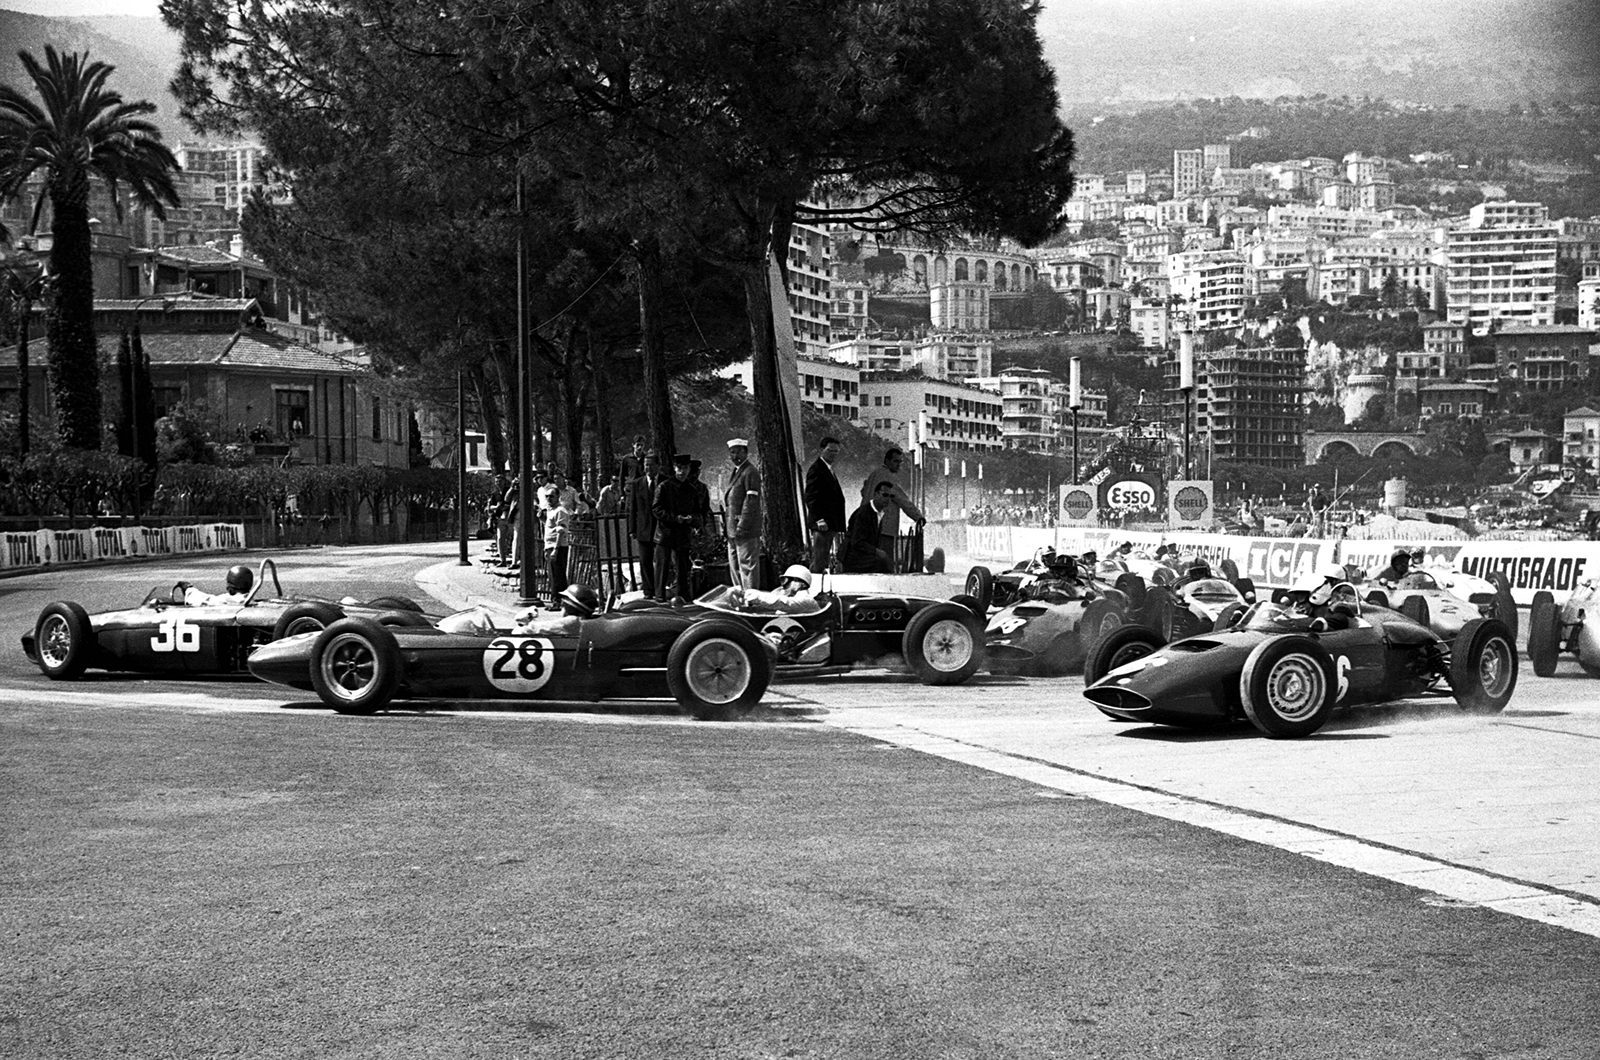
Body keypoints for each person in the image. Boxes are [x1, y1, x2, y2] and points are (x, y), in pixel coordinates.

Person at [860, 448, 924, 572]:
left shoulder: (874, 474)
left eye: (900, 462)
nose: (898, 465)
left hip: (867, 526)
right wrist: (918, 517)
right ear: (887, 461)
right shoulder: (888, 477)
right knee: (884, 562)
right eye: (895, 461)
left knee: (870, 561)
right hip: (885, 528)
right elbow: (902, 499)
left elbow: (864, 492)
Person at [653, 452, 699, 601]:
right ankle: (659, 597)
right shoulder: (664, 487)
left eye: (685, 468)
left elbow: (698, 510)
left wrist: (692, 519)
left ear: (689, 469)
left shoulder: (691, 489)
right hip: (665, 533)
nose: (682, 471)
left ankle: (682, 598)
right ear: (674, 468)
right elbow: (656, 509)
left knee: (682, 568)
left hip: (682, 533)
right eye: (679, 468)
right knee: (662, 568)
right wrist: (674, 519)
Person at [723, 438, 762, 588]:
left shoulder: (750, 472)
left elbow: (751, 501)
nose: (735, 456)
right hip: (733, 529)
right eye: (732, 452)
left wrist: (742, 526)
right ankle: (740, 596)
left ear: (746, 452)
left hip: (745, 529)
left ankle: (751, 599)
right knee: (735, 566)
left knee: (747, 566)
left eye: (739, 452)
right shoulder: (737, 471)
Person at [804, 436, 846, 573]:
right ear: (821, 450)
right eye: (830, 450)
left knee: (824, 558)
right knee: (819, 559)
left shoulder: (828, 469)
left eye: (836, 452)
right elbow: (810, 497)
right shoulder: (816, 469)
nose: (833, 454)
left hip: (830, 523)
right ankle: (815, 588)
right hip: (822, 524)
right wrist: (819, 519)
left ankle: (820, 587)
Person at [840, 480, 895, 573]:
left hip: (864, 556)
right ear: (876, 494)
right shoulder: (863, 514)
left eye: (891, 496)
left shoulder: (879, 513)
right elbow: (857, 542)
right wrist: (877, 552)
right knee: (883, 563)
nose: (888, 499)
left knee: (886, 562)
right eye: (885, 495)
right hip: (853, 558)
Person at [627, 450, 661, 596]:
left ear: (658, 466)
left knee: (661, 561)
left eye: (651, 465)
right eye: (646, 465)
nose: (648, 468)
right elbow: (632, 508)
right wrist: (632, 529)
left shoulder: (665, 481)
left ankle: (660, 590)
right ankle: (648, 590)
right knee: (645, 561)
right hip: (643, 528)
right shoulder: (637, 484)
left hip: (661, 528)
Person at [729, 564, 819, 613]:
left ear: (801, 584)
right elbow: (769, 598)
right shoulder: (792, 596)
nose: (784, 586)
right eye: (783, 581)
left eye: (787, 581)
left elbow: (779, 602)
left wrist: (743, 593)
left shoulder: (806, 601)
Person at [543, 489, 575, 609]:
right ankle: (555, 600)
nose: (549, 499)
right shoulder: (551, 511)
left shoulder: (560, 511)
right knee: (552, 575)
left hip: (558, 546)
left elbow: (561, 531)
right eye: (547, 496)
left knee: (558, 576)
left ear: (558, 497)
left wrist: (556, 549)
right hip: (550, 546)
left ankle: (559, 601)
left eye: (551, 496)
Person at [183, 564, 253, 606]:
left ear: (230, 587)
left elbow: (203, 600)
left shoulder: (226, 600)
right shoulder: (250, 601)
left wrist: (189, 589)